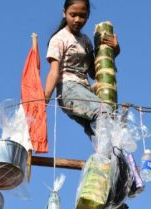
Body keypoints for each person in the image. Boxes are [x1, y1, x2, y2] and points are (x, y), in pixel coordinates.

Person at [44, 0, 120, 138]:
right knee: (104, 111)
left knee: (99, 131)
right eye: (73, 15)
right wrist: (44, 99)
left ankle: (105, 159)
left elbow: (93, 73)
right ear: (64, 13)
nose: (77, 20)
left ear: (88, 15)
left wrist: (115, 50)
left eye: (82, 16)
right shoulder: (59, 38)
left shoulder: (85, 41)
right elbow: (54, 72)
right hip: (68, 88)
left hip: (84, 90)